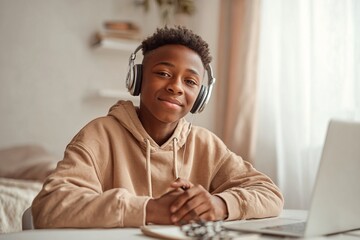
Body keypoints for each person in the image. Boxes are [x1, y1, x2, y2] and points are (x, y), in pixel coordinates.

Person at [32, 26, 284, 228]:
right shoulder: (99, 134)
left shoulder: (206, 144)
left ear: (201, 96)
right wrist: (151, 209)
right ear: (137, 80)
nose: (177, 86)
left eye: (190, 81)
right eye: (163, 73)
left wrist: (219, 205)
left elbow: (270, 194)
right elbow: (50, 206)